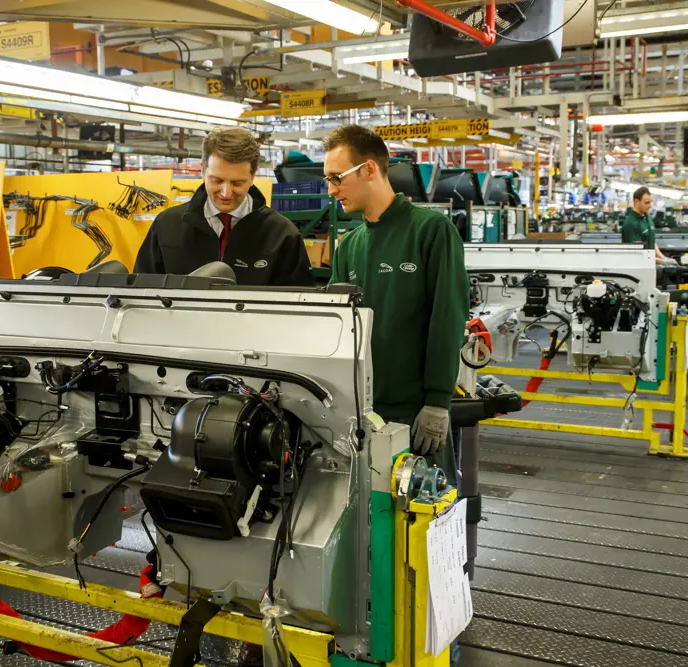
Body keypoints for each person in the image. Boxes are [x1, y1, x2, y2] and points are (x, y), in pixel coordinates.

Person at [323, 123, 468, 666]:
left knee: (430, 533)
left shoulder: (431, 232)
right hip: (363, 415)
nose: (331, 189)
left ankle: (435, 640)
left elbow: (446, 318)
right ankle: (375, 637)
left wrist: (437, 401)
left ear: (370, 170)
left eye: (336, 178)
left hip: (415, 412)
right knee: (370, 530)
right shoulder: (351, 243)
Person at [134, 127, 313, 286]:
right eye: (217, 180)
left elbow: (298, 306)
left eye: (237, 183)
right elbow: (141, 292)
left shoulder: (282, 235)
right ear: (203, 170)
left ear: (253, 176)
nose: (226, 193)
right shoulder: (167, 226)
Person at [620, 187, 673, 264]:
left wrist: (663, 257)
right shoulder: (630, 224)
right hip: (639, 268)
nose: (650, 206)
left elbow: (651, 242)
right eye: (647, 203)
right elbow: (638, 254)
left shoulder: (647, 217)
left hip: (651, 265)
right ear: (637, 201)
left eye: (650, 202)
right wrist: (663, 262)